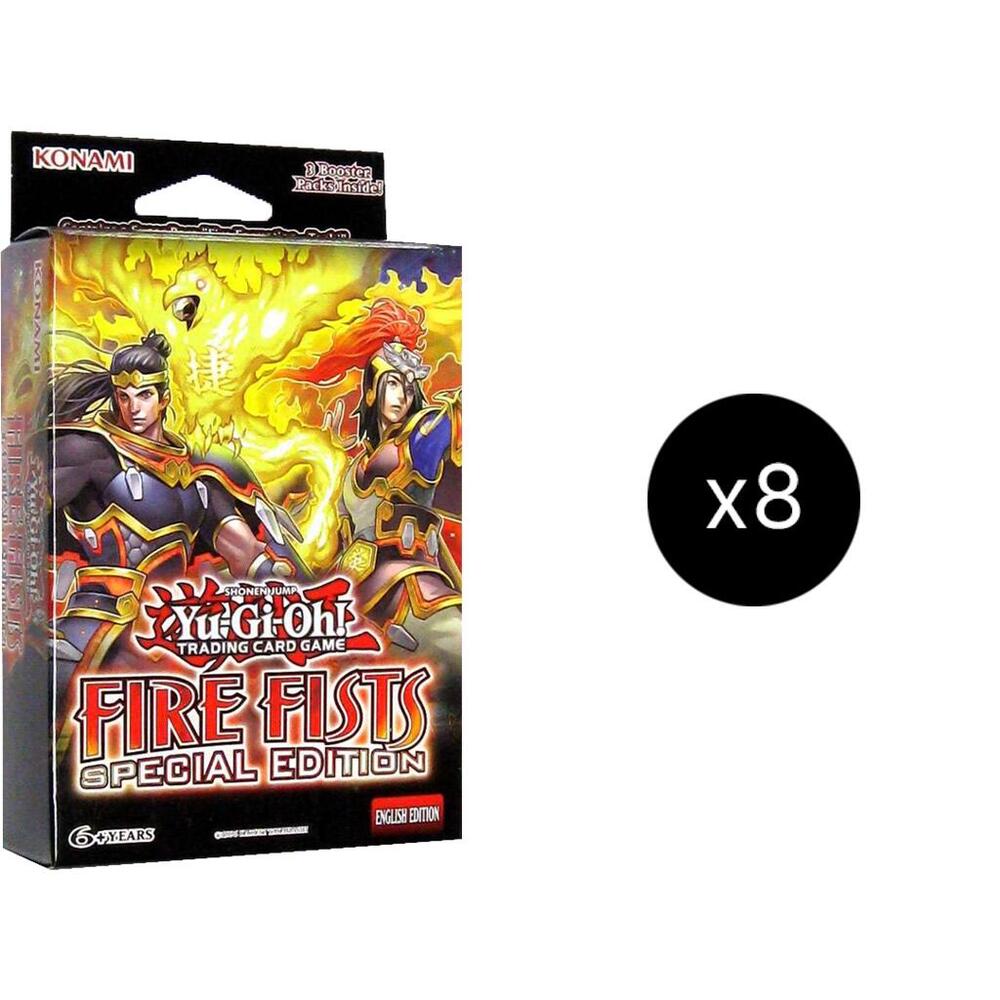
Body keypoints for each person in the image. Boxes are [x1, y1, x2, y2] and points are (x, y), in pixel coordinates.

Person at [50, 331, 308, 716]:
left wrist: (300, 603)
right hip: (97, 624)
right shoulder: (91, 453)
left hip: (173, 630)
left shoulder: (197, 476)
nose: (133, 408)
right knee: (57, 704)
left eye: (144, 396)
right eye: (124, 397)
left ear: (164, 398)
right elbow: (23, 511)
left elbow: (247, 554)